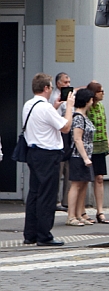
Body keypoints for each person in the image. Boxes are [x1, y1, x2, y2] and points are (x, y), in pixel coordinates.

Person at [22, 73, 75, 246]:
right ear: (45, 88)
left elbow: (43, 123)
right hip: (48, 154)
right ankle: (44, 235)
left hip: (33, 153)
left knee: (35, 193)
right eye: (51, 86)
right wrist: (69, 107)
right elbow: (65, 127)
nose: (52, 89)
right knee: (47, 195)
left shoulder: (29, 105)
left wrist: (55, 106)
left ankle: (30, 234)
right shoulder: (44, 108)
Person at [65, 89, 96, 227]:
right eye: (91, 99)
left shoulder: (84, 116)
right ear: (87, 100)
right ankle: (71, 215)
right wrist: (85, 158)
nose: (93, 101)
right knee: (76, 184)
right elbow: (77, 139)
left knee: (83, 184)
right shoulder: (78, 117)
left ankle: (78, 214)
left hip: (85, 156)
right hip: (78, 156)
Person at [86, 81, 109, 224]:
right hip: (90, 146)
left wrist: (108, 145)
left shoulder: (101, 107)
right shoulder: (88, 108)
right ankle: (82, 212)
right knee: (85, 179)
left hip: (101, 145)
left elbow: (104, 127)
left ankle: (100, 211)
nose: (103, 93)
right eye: (100, 91)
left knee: (100, 178)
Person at [49, 72, 71, 212]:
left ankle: (67, 201)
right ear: (58, 84)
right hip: (60, 136)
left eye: (69, 82)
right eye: (65, 82)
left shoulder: (68, 98)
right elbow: (57, 121)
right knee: (58, 171)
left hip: (68, 137)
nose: (68, 85)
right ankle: (55, 200)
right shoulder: (55, 98)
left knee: (69, 171)